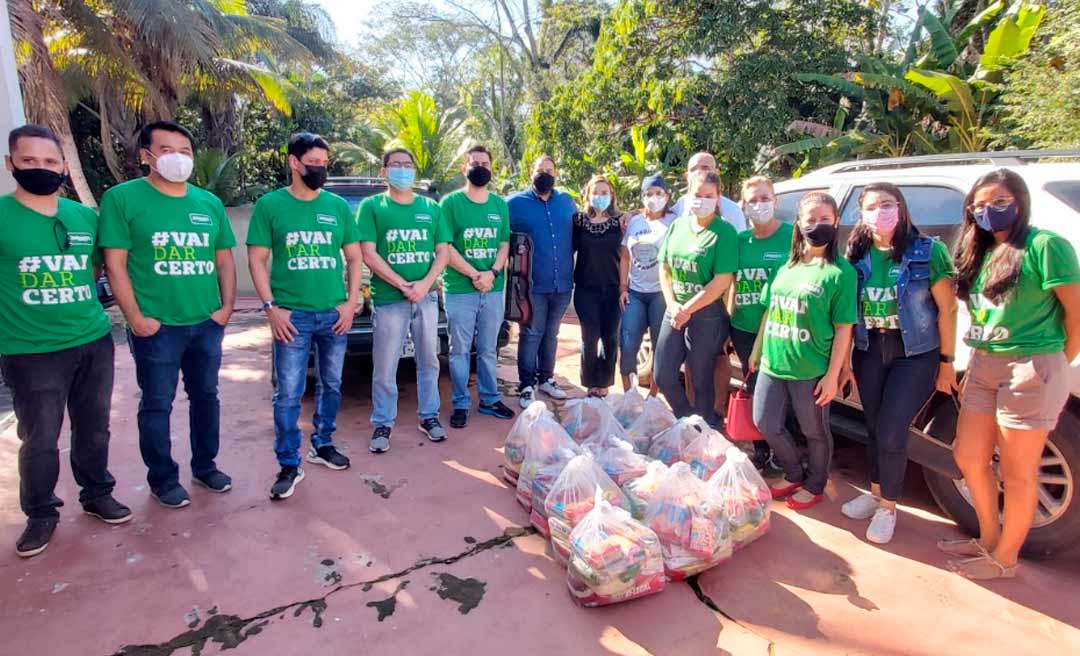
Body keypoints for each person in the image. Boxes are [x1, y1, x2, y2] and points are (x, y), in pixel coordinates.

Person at [941, 169, 1080, 580]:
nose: (989, 212)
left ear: (1019, 203)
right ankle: (987, 537)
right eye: (979, 206)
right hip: (984, 361)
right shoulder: (980, 250)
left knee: (1019, 472)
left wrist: (1050, 365)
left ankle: (1005, 559)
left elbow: (1076, 314)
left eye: (999, 202)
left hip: (1030, 366)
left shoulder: (1045, 246)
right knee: (968, 456)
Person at [1, 125, 131, 558]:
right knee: (39, 436)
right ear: (11, 164)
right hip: (30, 349)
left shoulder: (82, 217)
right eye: (29, 161)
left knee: (94, 427)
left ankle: (96, 493)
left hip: (92, 340)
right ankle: (41, 513)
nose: (42, 169)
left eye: (50, 161)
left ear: (63, 167)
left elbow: (94, 270)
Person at [101, 120, 237, 509]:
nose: (177, 158)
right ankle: (162, 478)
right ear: (146, 156)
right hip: (156, 327)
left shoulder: (207, 203)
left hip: (205, 322)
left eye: (184, 151)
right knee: (158, 402)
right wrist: (136, 318)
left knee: (206, 396)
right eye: (166, 150)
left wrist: (225, 308)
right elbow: (115, 264)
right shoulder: (122, 199)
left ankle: (205, 465)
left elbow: (224, 259)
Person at [838, 183, 958, 544]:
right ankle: (876, 493)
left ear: (901, 208)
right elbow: (848, 312)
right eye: (871, 207)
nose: (880, 213)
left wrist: (947, 363)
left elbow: (947, 309)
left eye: (887, 205)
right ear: (861, 215)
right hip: (870, 349)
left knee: (892, 430)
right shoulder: (857, 254)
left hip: (914, 354)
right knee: (874, 427)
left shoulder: (928, 252)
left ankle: (888, 508)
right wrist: (845, 363)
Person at [246, 133, 363, 500]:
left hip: (333, 314)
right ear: (294, 163)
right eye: (313, 162)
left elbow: (355, 257)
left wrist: (351, 301)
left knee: (332, 384)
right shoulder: (270, 206)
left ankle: (323, 444)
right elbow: (257, 259)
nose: (320, 169)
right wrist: (271, 308)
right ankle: (288, 463)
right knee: (289, 394)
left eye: (324, 163)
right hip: (291, 317)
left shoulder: (338, 207)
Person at [750, 191, 856, 511]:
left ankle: (815, 482)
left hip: (810, 368)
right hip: (773, 361)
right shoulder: (787, 267)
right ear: (799, 224)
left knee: (815, 430)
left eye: (825, 219)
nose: (818, 225)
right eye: (811, 219)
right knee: (765, 423)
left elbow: (843, 329)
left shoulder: (840, 273)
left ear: (836, 222)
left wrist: (832, 375)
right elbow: (769, 311)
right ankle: (794, 471)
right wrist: (757, 350)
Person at [357, 148, 450, 453]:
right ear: (383, 171)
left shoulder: (431, 208)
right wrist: (401, 284)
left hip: (424, 298)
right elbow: (369, 254)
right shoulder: (372, 207)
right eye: (395, 165)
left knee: (429, 361)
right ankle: (383, 422)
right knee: (385, 366)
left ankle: (429, 416)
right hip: (389, 300)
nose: (402, 170)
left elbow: (443, 252)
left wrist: (424, 285)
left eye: (407, 165)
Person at [654, 172, 738, 426]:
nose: (702, 200)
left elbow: (722, 280)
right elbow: (664, 267)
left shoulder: (724, 232)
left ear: (718, 198)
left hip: (707, 314)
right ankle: (688, 420)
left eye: (708, 196)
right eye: (697, 195)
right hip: (675, 308)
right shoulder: (679, 226)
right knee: (663, 374)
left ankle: (706, 429)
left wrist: (688, 308)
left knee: (701, 379)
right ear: (688, 195)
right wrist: (672, 305)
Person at [442, 145, 515, 428]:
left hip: (493, 288)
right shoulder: (450, 203)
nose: (480, 167)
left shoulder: (499, 205)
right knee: (459, 350)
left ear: (491, 169)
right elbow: (446, 247)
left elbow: (504, 244)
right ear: (464, 168)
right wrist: (475, 274)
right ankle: (460, 403)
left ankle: (489, 399)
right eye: (474, 163)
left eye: (485, 163)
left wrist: (492, 273)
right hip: (461, 289)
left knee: (488, 349)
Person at [727, 176, 793, 467]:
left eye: (765, 198)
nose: (759, 204)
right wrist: (727, 324)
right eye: (753, 200)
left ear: (775, 201)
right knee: (754, 388)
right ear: (743, 205)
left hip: (782, 331)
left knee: (781, 393)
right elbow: (729, 284)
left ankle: (784, 450)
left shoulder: (792, 237)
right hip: (744, 328)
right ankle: (760, 448)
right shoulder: (738, 242)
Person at [508, 155, 577, 408]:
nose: (545, 174)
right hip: (532, 284)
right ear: (531, 172)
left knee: (552, 334)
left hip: (563, 283)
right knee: (532, 333)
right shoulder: (514, 204)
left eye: (549, 170)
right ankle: (527, 385)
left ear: (556, 174)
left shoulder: (566, 202)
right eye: (540, 170)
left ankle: (546, 378)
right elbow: (499, 236)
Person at [619, 174, 676, 394]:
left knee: (660, 348)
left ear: (666, 195)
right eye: (649, 194)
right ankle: (628, 394)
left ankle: (653, 396)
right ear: (642, 197)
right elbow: (625, 256)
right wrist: (623, 288)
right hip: (636, 292)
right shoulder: (635, 222)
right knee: (627, 343)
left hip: (661, 294)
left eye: (658, 193)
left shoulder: (675, 220)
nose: (654, 198)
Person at [572, 174, 623, 397]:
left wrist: (624, 287)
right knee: (589, 338)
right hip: (586, 289)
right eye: (596, 192)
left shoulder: (620, 223)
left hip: (612, 290)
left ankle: (604, 382)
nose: (600, 196)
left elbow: (627, 256)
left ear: (611, 195)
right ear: (588, 195)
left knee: (610, 338)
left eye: (604, 192)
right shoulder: (579, 222)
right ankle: (589, 382)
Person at [668, 152, 746, 232]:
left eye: (705, 168)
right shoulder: (680, 205)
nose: (699, 173)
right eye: (694, 169)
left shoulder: (732, 210)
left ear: (716, 173)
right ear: (687, 176)